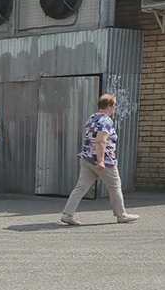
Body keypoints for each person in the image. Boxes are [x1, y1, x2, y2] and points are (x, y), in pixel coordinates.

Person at [60, 94, 140, 226]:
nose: (115, 108)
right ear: (108, 106)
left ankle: (67, 214)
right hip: (103, 160)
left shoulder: (92, 117)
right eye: (114, 105)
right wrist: (101, 160)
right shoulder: (106, 121)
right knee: (115, 185)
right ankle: (121, 215)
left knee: (81, 187)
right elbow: (101, 141)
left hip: (87, 158)